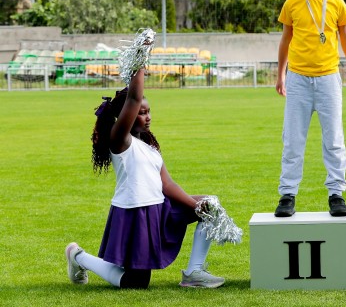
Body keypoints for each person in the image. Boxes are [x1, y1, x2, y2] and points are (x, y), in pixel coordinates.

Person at [65, 67, 226, 289]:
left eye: (148, 111)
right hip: (136, 212)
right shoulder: (120, 140)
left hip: (160, 209)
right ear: (126, 116)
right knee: (136, 283)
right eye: (141, 112)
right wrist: (139, 65)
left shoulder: (148, 146)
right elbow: (133, 97)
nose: (147, 117)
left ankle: (194, 273)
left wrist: (196, 206)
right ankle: (78, 256)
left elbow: (167, 184)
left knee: (211, 204)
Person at [274, 0, 346, 217]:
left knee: (334, 139)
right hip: (298, 80)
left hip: (328, 79)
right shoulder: (292, 3)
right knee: (292, 139)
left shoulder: (337, 3)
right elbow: (285, 41)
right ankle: (287, 194)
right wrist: (281, 74)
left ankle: (336, 193)